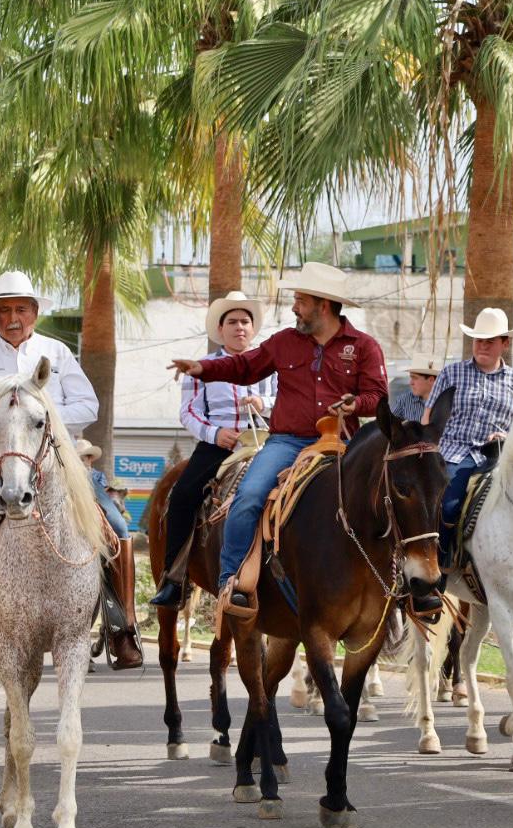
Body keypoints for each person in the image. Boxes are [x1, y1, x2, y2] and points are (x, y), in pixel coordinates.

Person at [0, 270, 141, 668]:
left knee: (118, 526)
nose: (12, 317)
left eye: (21, 309)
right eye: (3, 309)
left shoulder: (56, 352)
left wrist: (40, 416)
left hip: (59, 460)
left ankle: (121, 624)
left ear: (35, 312)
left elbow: (88, 405)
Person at [167, 262, 389, 621]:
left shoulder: (364, 347)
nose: (294, 307)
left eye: (300, 300)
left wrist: (356, 403)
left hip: (341, 443)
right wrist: (203, 368)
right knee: (249, 498)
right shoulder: (284, 342)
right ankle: (232, 582)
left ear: (323, 305)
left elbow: (379, 397)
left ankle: (394, 588)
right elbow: (246, 367)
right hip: (286, 441)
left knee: (383, 501)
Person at [149, 291, 276, 608]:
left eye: (245, 321)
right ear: (221, 330)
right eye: (232, 321)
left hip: (264, 443)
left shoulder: (271, 367)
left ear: (252, 328)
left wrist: (264, 402)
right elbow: (188, 412)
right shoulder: (202, 368)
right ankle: (174, 579)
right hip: (217, 447)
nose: (239, 327)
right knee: (181, 497)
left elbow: (286, 401)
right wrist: (215, 433)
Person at [426, 309, 513, 571]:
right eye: (479, 340)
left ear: (504, 344)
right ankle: (438, 571)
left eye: (490, 341)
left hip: (501, 456)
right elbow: (428, 418)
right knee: (448, 506)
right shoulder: (452, 374)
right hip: (455, 452)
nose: (483, 346)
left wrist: (507, 437)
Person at [391, 356, 441, 423]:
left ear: (431, 380)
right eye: (411, 378)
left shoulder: (448, 402)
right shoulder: (404, 401)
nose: (411, 382)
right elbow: (389, 427)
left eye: (415, 378)